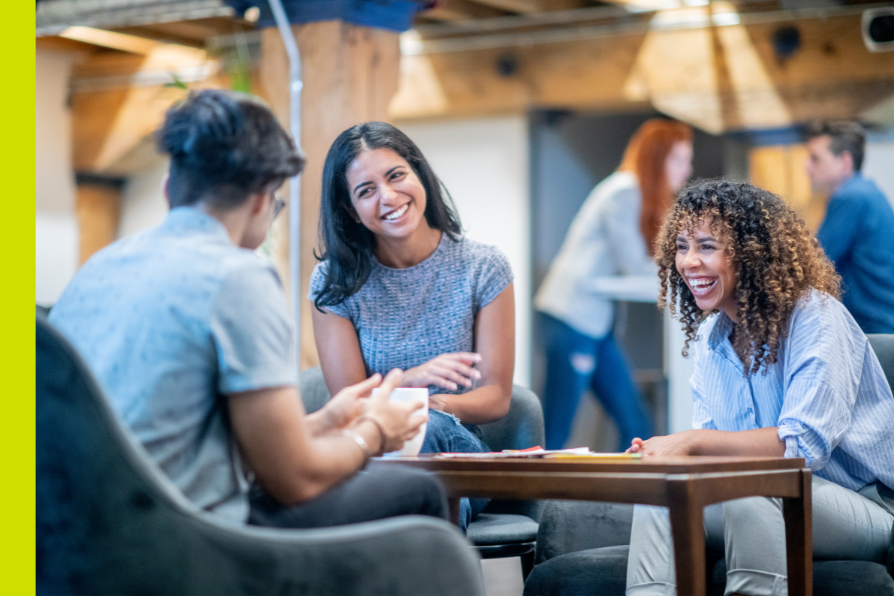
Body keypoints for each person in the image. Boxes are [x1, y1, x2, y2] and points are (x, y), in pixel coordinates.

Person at [49, 90, 449, 530]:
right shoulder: (237, 276)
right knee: (420, 490)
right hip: (179, 542)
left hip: (68, 540)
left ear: (168, 189)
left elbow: (179, 440)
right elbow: (295, 479)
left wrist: (322, 423)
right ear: (262, 201)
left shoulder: (97, 268)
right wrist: (374, 432)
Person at [625, 179, 894, 596]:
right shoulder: (712, 338)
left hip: (864, 506)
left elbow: (800, 448)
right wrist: (670, 455)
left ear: (752, 252)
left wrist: (691, 442)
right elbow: (716, 454)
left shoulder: (817, 317)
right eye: (681, 246)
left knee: (751, 483)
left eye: (707, 246)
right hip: (762, 495)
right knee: (663, 489)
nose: (689, 262)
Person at [309, 121, 515, 530]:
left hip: (457, 453)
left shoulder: (483, 267)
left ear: (419, 174)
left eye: (396, 175)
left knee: (430, 430)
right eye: (366, 191)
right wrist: (414, 379)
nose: (388, 197)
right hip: (373, 451)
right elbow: (349, 404)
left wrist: (422, 406)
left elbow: (496, 397)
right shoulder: (335, 281)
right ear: (351, 211)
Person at [535, 118, 693, 450]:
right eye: (679, 159)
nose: (686, 170)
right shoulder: (624, 190)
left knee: (636, 424)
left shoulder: (636, 194)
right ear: (656, 158)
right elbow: (634, 263)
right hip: (572, 316)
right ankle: (535, 501)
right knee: (556, 429)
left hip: (596, 323)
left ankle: (633, 501)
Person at [806, 120, 894, 333]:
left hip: (871, 329)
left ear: (844, 161)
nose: (806, 167)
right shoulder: (866, 192)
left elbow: (812, 263)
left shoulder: (851, 197)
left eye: (815, 159)